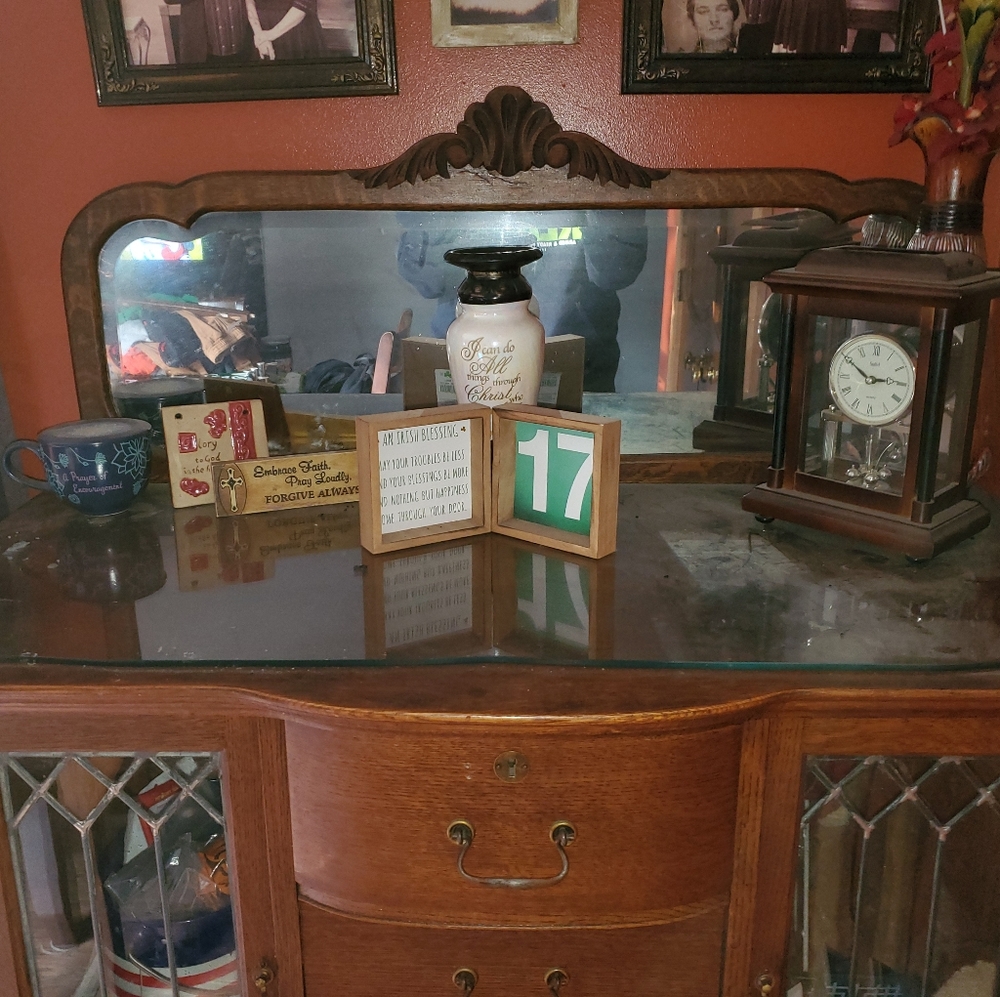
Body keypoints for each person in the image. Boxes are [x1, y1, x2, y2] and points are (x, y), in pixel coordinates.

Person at [396, 211, 648, 392]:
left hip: (577, 369)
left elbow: (615, 273)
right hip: (469, 369)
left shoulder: (586, 158)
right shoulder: (460, 162)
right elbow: (427, 280)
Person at [245, 0, 326, 59]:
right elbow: (249, 2)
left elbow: (303, 4)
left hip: (294, 32)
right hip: (260, 29)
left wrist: (268, 35)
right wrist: (258, 33)